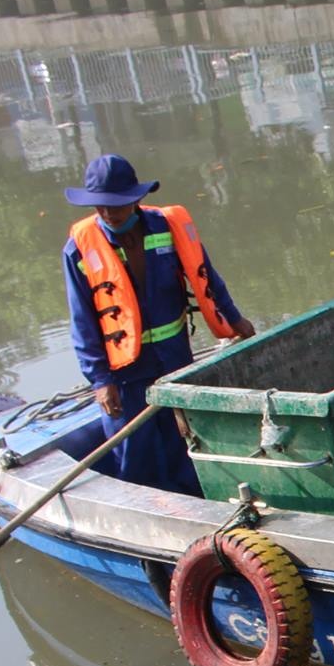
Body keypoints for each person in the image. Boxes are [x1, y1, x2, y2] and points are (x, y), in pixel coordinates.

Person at [62, 154, 256, 495]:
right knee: (134, 454)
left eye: (116, 205)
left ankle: (196, 503)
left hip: (174, 359)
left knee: (184, 442)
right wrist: (100, 380)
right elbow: (83, 321)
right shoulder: (79, 250)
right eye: (100, 206)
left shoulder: (167, 228)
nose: (108, 213)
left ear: (136, 199)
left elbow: (206, 278)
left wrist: (235, 319)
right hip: (125, 374)